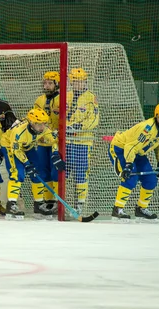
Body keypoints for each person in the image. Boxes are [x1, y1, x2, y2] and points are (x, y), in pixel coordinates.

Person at [109, 102, 159, 222]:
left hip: (138, 152)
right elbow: (130, 146)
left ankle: (141, 210)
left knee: (151, 179)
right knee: (130, 178)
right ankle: (117, 210)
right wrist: (129, 165)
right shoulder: (147, 128)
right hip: (121, 148)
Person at [0, 108, 54, 219]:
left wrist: (56, 152)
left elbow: (54, 140)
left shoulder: (43, 129)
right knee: (18, 172)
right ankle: (11, 205)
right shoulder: (19, 132)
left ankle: (38, 204)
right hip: (10, 146)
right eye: (39, 124)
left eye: (44, 123)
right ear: (32, 123)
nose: (43, 127)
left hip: (27, 145)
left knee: (38, 171)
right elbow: (17, 151)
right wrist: (27, 164)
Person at [65, 68, 100, 213]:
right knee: (63, 172)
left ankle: (80, 204)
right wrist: (65, 127)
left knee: (81, 172)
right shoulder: (66, 96)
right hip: (66, 142)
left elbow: (94, 119)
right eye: (75, 82)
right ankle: (60, 201)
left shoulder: (91, 98)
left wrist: (79, 126)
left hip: (83, 142)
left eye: (81, 81)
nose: (78, 84)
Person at [33, 71, 62, 213]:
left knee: (55, 171)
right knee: (43, 171)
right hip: (42, 142)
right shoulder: (39, 100)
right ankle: (48, 201)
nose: (46, 85)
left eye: (50, 83)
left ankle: (57, 200)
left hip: (57, 142)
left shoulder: (63, 99)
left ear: (57, 84)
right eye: (45, 83)